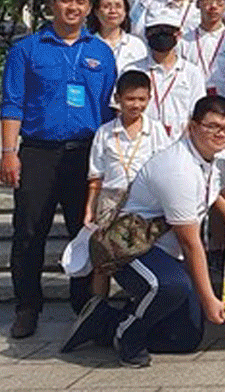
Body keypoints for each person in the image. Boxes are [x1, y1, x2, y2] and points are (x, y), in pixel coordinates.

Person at [62, 96, 225, 366]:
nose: (220, 134)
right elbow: (190, 244)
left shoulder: (219, 159)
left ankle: (104, 321)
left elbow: (218, 197)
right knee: (169, 286)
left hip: (166, 254)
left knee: (185, 338)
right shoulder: (178, 168)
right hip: (131, 249)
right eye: (212, 126)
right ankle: (127, 337)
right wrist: (209, 298)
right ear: (192, 126)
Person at [0, 0, 117, 338]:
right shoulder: (27, 50)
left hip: (85, 152)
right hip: (38, 151)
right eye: (66, 0)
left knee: (85, 231)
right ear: (53, 5)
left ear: (89, 8)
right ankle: (27, 306)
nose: (73, 7)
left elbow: (108, 109)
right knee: (29, 230)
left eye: (81, 1)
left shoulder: (100, 52)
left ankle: (82, 302)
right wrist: (8, 153)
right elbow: (12, 102)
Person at [83, 70, 164, 300]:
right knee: (103, 259)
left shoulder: (156, 131)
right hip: (111, 201)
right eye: (130, 99)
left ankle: (139, 302)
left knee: (140, 253)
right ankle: (98, 308)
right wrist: (90, 207)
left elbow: (164, 169)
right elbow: (96, 175)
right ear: (118, 99)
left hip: (145, 202)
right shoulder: (105, 133)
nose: (136, 105)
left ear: (149, 99)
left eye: (142, 99)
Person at [136, 8, 209, 141]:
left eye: (167, 31)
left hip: (181, 143)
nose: (161, 35)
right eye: (156, 31)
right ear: (146, 34)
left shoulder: (192, 72)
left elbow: (197, 113)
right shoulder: (133, 70)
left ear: (179, 34)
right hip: (142, 144)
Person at [89, 0, 147, 72]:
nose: (113, 10)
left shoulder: (136, 45)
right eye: (106, 6)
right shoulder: (88, 44)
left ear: (125, 12)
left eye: (118, 6)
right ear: (96, 12)